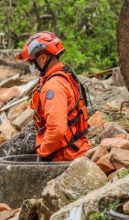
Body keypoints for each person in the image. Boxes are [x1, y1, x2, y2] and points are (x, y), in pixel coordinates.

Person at [16, 31, 90, 161]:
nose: (30, 67)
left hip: (65, 155)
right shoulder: (62, 75)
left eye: (31, 63)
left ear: (43, 58)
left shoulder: (53, 86)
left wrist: (43, 153)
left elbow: (57, 128)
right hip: (72, 149)